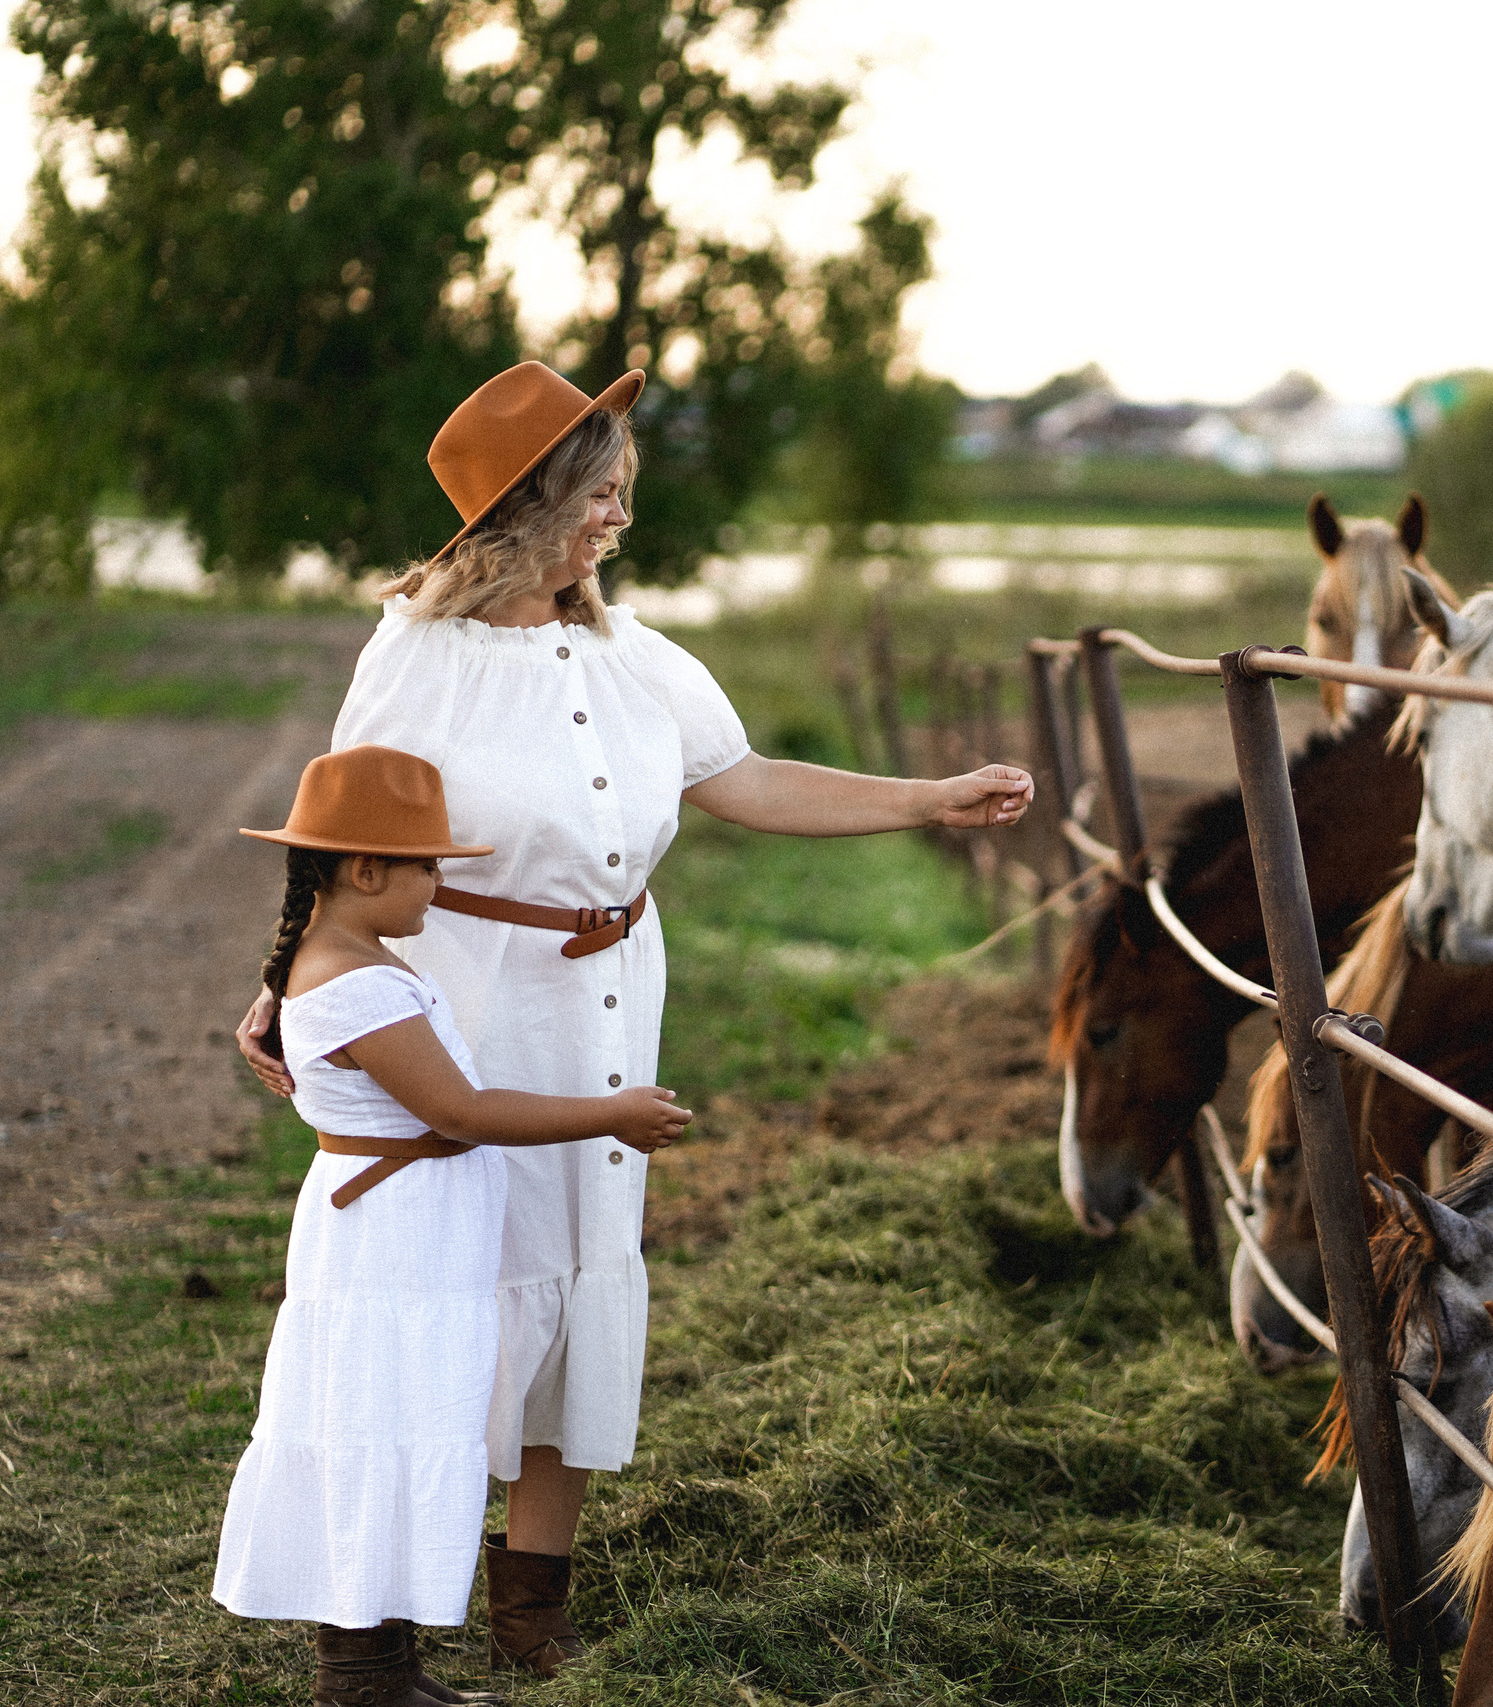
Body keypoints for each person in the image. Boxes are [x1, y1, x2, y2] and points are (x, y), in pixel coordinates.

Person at [236, 361, 1032, 1676]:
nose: (619, 514)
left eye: (620, 489)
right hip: (474, 995)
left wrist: (929, 798)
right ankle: (392, 1610)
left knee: (586, 1271)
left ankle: (532, 1612)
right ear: (529, 504)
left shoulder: (634, 652)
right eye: (600, 491)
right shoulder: (417, 654)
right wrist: (284, 977)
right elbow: (343, 831)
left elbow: (750, 780)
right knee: (468, 1278)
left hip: (609, 994)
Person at [213, 743, 691, 1707]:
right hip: (392, 1247)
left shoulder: (352, 959)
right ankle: (359, 1674)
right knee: (379, 1430)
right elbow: (459, 1110)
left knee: (398, 1425)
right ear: (365, 869)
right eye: (428, 865)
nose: (440, 883)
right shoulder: (352, 982)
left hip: (405, 1239)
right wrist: (609, 1112)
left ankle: (383, 1667)